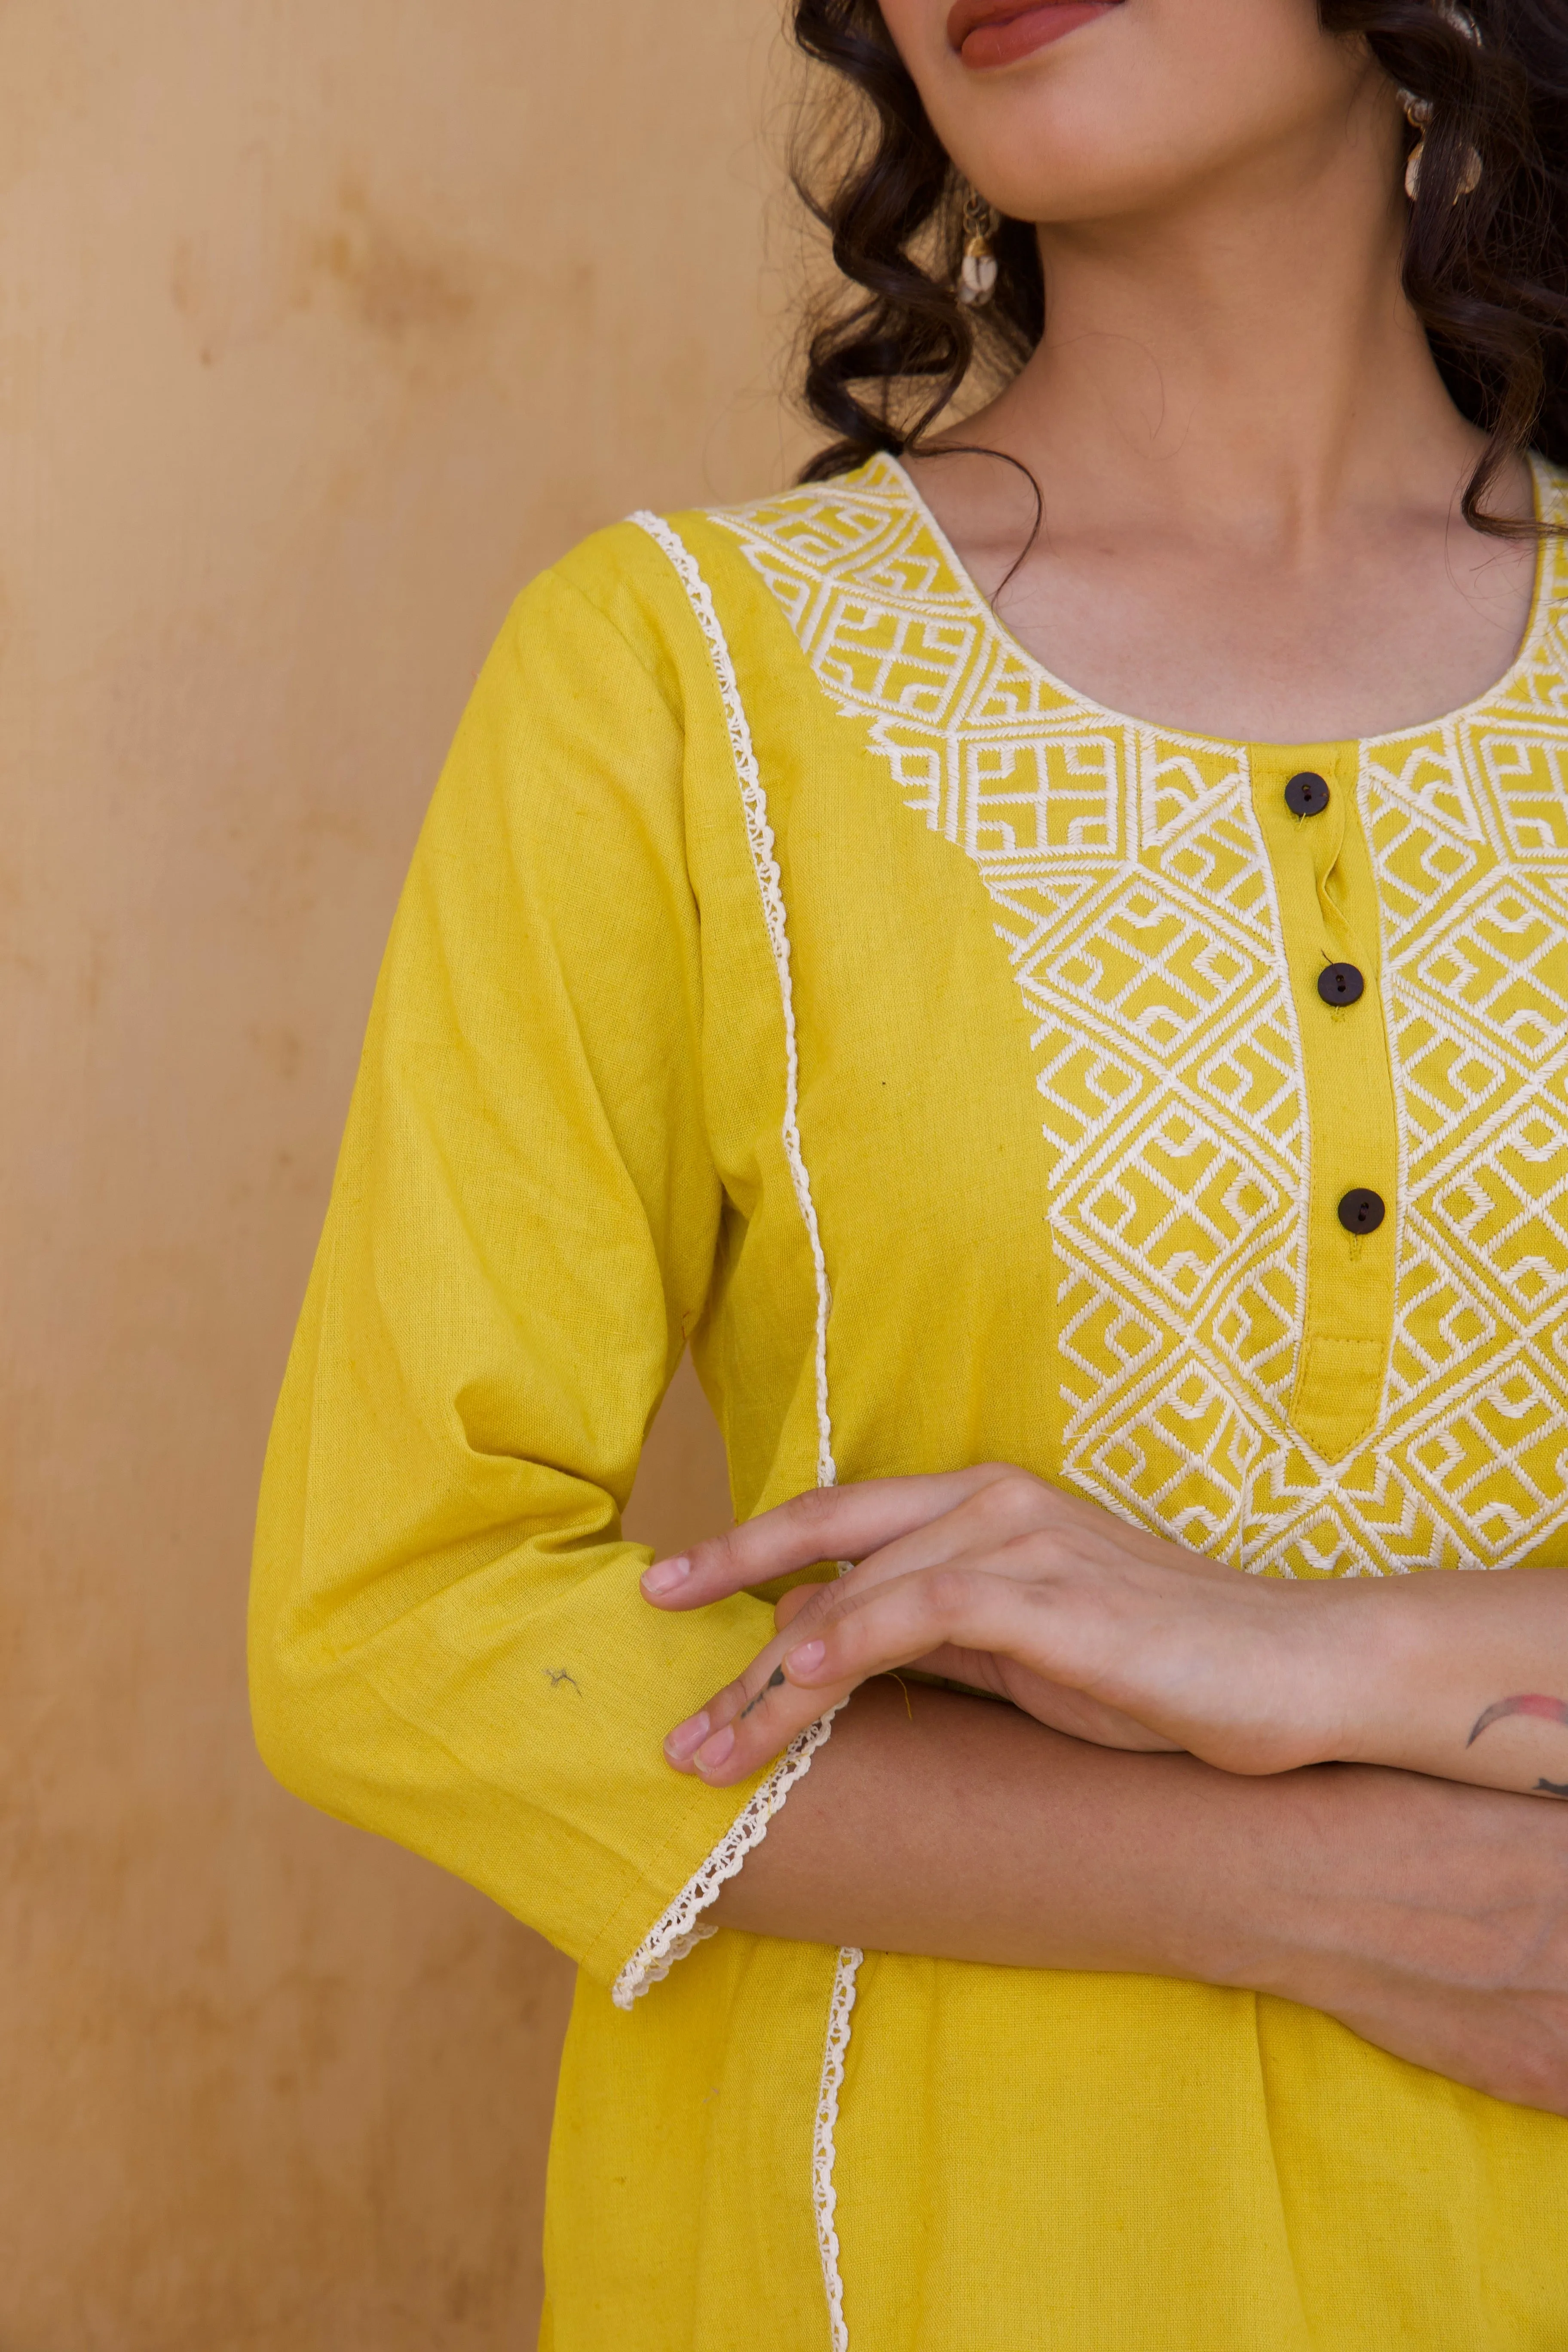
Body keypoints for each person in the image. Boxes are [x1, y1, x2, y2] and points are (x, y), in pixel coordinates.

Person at [250, 1, 1568, 2343]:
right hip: (908, 2245)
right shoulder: (678, 689)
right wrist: (1308, 1876)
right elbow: (399, 1626)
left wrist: (1310, 1655)